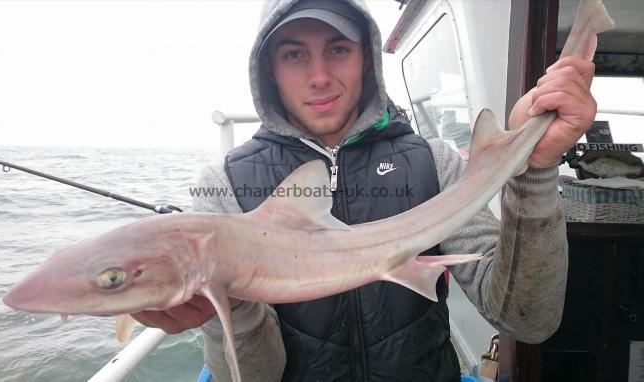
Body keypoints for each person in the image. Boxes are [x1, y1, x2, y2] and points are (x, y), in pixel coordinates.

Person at [133, 0, 597, 380]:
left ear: (367, 60)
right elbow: (257, 377)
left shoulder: (431, 164)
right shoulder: (227, 186)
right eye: (294, 54)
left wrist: (536, 171)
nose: (319, 76)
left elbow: (526, 320)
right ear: (268, 69)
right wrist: (228, 305)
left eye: (338, 49)